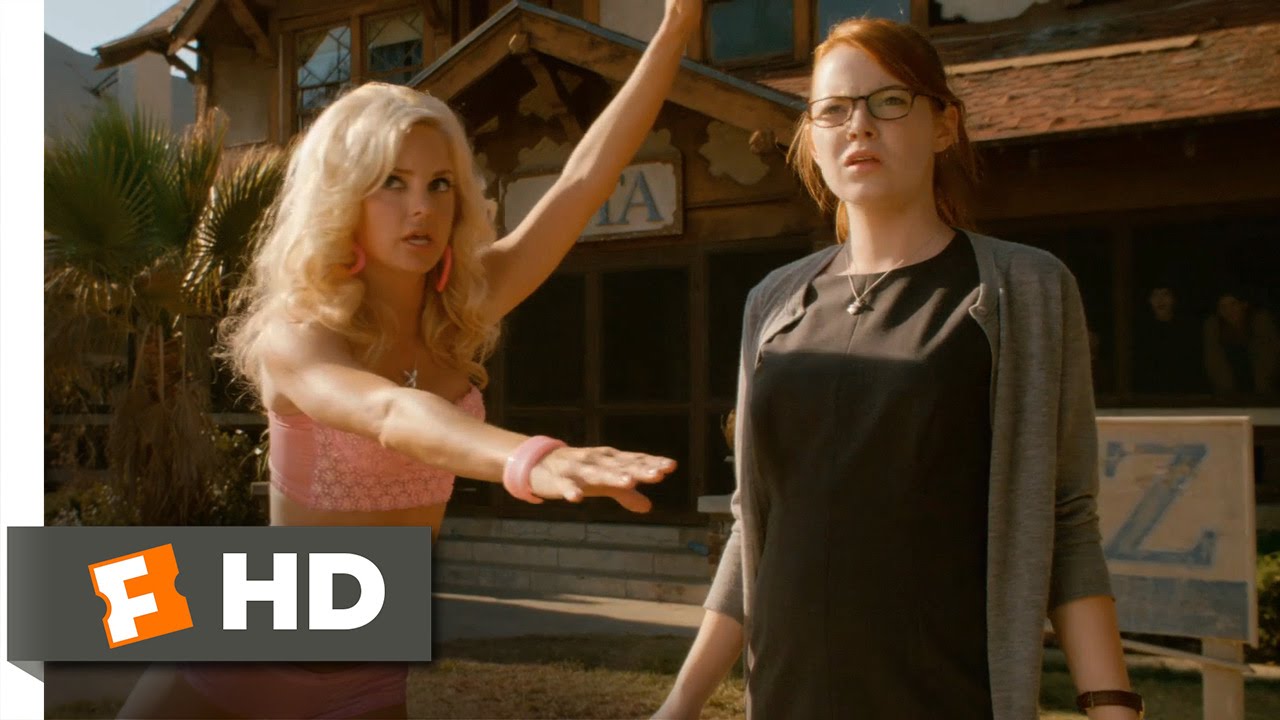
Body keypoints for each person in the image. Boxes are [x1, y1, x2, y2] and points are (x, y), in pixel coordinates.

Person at [114, 1, 702, 717]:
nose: (420, 208)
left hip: (370, 673)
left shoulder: (462, 310)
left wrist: (675, 28)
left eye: (438, 184)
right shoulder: (298, 335)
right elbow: (392, 413)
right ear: (344, 197)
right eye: (392, 182)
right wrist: (529, 459)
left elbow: (584, 180)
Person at [656, 17, 1140, 720]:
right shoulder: (772, 301)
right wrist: (679, 705)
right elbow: (754, 525)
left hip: (947, 698)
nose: (859, 125)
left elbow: (1065, 517)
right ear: (811, 137)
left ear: (944, 125)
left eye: (888, 101)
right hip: (789, 699)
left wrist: (1111, 706)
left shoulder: (1023, 288)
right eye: (833, 109)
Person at [1204, 285, 1279, 397]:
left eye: (1233, 304)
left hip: (1266, 393)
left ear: (1244, 305)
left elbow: (1271, 357)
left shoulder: (1260, 323)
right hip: (1230, 396)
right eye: (1223, 307)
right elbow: (1213, 362)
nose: (1228, 311)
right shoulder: (1214, 328)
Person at [1132, 283, 1205, 394]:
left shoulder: (1187, 329)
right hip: (1149, 394)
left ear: (1173, 299)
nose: (1160, 300)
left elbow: (1192, 365)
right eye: (1155, 295)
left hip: (1184, 393)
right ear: (1149, 300)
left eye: (1165, 294)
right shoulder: (1141, 331)